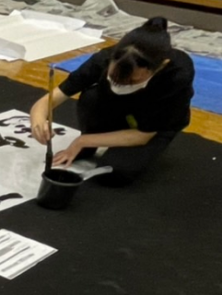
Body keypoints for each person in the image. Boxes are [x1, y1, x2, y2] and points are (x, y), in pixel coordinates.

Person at [29, 17, 193, 186]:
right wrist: (38, 120)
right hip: (117, 108)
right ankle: (91, 144)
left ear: (159, 67)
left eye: (132, 81)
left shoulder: (177, 75)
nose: (121, 84)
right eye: (114, 77)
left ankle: (95, 142)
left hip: (152, 124)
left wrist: (82, 140)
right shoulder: (105, 58)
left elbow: (144, 134)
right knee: (91, 97)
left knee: (113, 171)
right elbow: (54, 97)